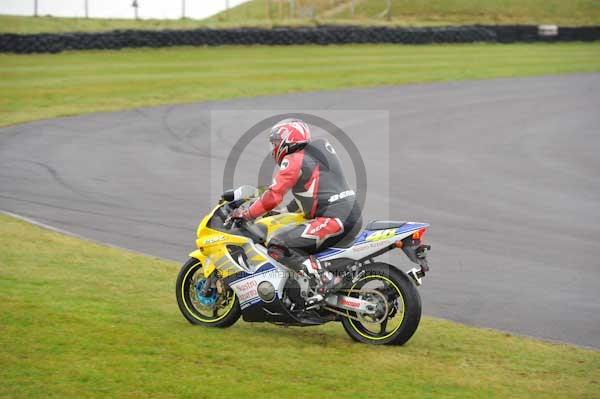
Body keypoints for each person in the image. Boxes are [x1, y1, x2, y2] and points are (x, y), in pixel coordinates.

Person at [228, 118, 362, 302]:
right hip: (350, 214)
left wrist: (247, 214)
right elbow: (313, 192)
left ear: (286, 141)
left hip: (333, 219)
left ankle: (324, 279)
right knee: (297, 240)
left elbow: (273, 195)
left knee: (279, 245)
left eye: (275, 143)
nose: (274, 148)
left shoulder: (294, 159)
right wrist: (280, 212)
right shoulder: (320, 150)